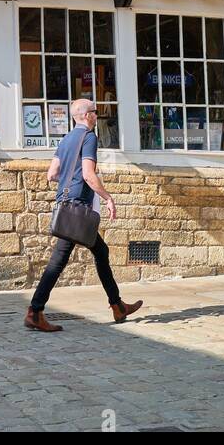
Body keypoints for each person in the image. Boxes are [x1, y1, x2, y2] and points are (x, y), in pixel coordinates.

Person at [25, 99, 142, 332]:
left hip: (66, 203)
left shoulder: (66, 139)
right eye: (94, 112)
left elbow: (52, 174)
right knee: (59, 261)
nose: (96, 116)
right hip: (77, 208)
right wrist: (108, 198)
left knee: (99, 251)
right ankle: (35, 311)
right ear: (86, 115)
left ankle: (117, 305)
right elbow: (89, 175)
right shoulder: (89, 137)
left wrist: (71, 180)